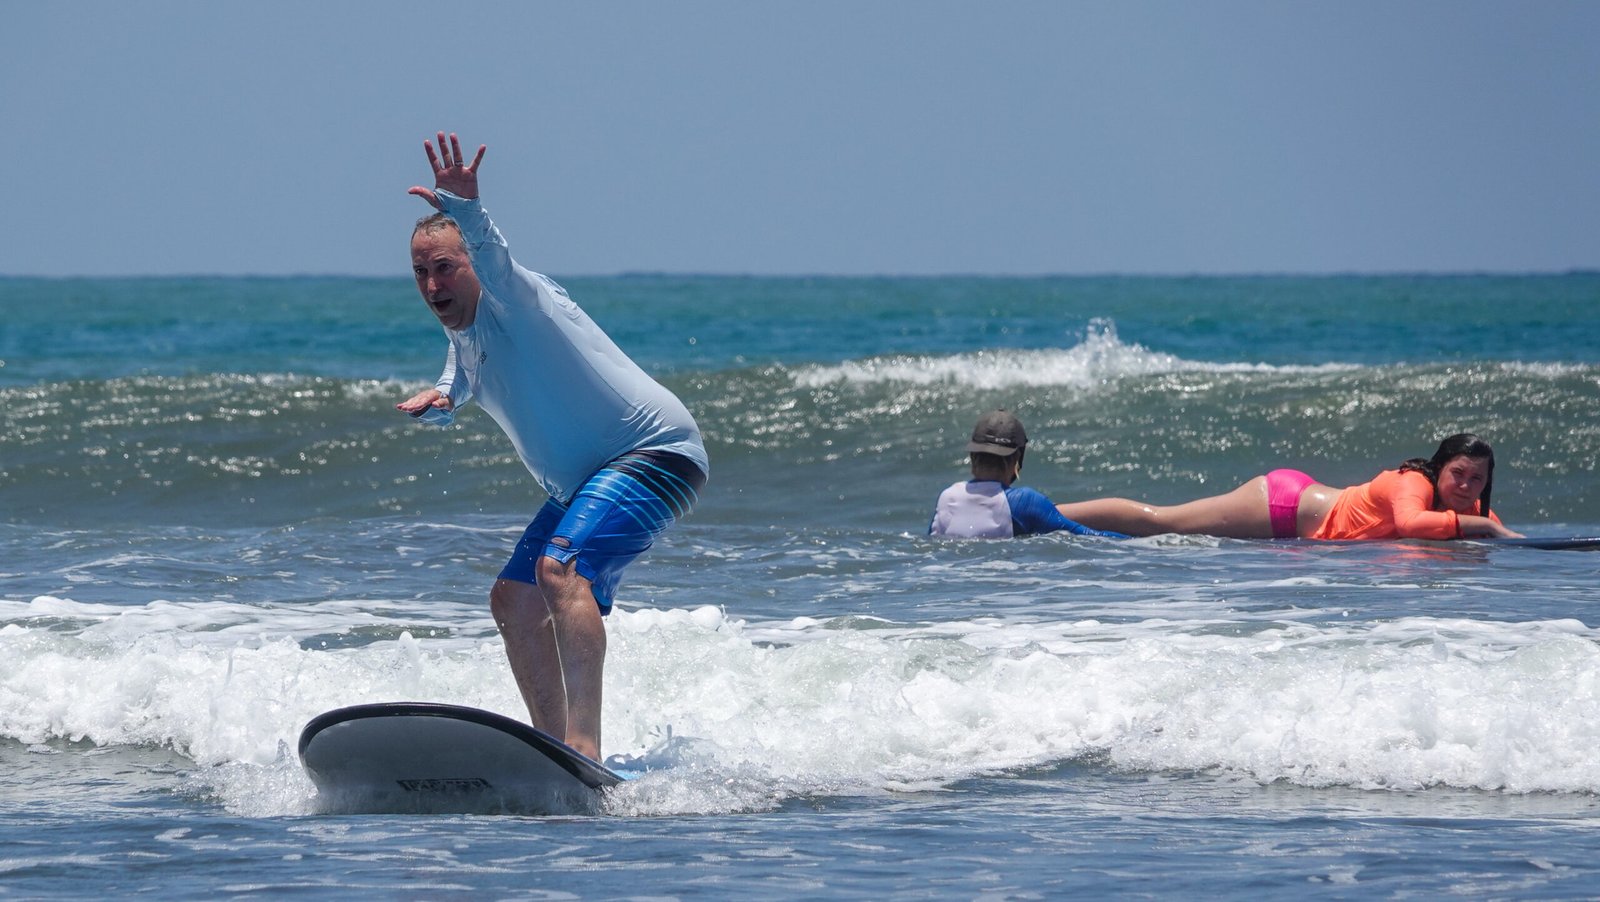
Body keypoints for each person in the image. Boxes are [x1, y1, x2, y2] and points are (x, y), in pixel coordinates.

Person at [396, 132, 709, 760]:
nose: (433, 285)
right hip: (584, 481)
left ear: (474, 266)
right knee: (513, 598)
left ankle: (583, 749)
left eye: (445, 267)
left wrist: (469, 211)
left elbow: (494, 254)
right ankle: (552, 752)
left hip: (653, 453)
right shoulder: (466, 332)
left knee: (560, 570)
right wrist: (444, 399)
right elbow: (462, 369)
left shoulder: (518, 295)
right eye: (421, 272)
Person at [1058, 433, 1522, 541]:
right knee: (1159, 522)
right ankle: (1043, 511)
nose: (1465, 485)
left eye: (1477, 478)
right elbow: (1410, 523)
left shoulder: (1466, 509)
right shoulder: (1413, 485)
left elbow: (1490, 533)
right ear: (1440, 468)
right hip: (1280, 504)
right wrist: (1490, 529)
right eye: (1458, 472)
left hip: (1298, 511)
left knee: (1157, 525)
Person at [929, 410, 1126, 539]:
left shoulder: (947, 497)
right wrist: (1145, 543)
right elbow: (1091, 539)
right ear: (1018, 457)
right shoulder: (1023, 502)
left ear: (973, 455)